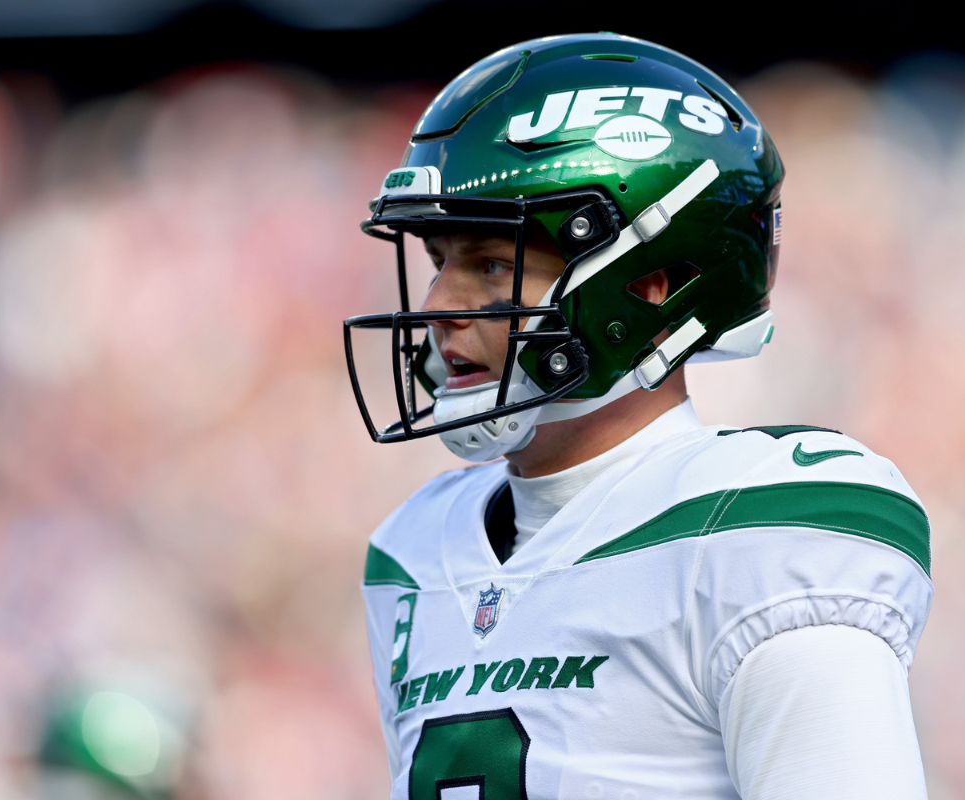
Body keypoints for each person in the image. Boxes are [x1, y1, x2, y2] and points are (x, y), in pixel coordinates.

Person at [346, 33, 932, 799]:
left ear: (649, 282)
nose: (438, 308)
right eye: (440, 262)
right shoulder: (413, 554)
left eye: (490, 263)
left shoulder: (750, 530)